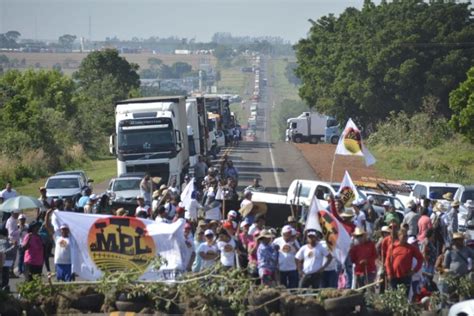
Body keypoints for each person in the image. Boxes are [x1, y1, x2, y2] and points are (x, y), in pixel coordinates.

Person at [385, 229, 423, 295]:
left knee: (404, 296)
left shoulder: (411, 248)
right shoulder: (392, 247)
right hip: (393, 276)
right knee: (394, 296)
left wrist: (414, 270)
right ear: (399, 236)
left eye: (406, 236)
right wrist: (389, 273)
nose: (405, 238)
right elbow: (387, 261)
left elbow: (420, 258)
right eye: (404, 236)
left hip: (406, 276)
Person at [46, 215, 73, 282]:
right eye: (62, 229)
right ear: (60, 230)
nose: (64, 231)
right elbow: (48, 227)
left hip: (68, 264)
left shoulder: (72, 240)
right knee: (59, 281)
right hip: (59, 263)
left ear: (68, 230)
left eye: (65, 229)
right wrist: (47, 215)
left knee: (68, 282)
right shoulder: (57, 238)